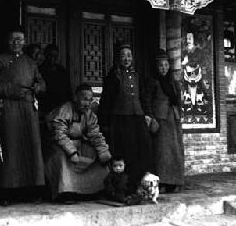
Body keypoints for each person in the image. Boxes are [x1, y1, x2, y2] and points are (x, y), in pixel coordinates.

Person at [0, 29, 46, 203]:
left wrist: (38, 86)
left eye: (19, 39)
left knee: (29, 148)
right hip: (7, 109)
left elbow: (41, 81)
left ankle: (29, 191)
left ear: (25, 41)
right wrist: (10, 90)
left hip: (27, 110)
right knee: (9, 148)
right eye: (12, 40)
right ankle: (6, 192)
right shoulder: (0, 60)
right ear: (7, 41)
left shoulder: (30, 62)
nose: (16, 42)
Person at [45, 84, 111, 202]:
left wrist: (103, 152)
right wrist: (71, 152)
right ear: (76, 98)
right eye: (84, 99)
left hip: (80, 145)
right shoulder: (65, 110)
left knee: (98, 156)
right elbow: (59, 134)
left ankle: (95, 190)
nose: (88, 103)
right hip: (61, 146)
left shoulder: (90, 115)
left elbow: (95, 135)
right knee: (62, 158)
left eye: (90, 100)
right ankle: (66, 193)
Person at [98, 43, 153, 187]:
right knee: (125, 151)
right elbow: (106, 101)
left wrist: (147, 114)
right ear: (117, 58)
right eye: (123, 56)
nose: (126, 59)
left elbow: (143, 97)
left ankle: (139, 183)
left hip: (137, 118)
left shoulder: (136, 76)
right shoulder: (113, 76)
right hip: (121, 119)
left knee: (141, 149)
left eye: (129, 55)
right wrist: (104, 122)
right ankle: (123, 185)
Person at [143, 49, 184, 193]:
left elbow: (178, 101)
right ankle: (162, 181)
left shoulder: (172, 82)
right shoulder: (152, 82)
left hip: (173, 120)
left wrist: (179, 117)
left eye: (166, 65)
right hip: (160, 121)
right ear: (156, 67)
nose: (164, 68)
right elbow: (147, 101)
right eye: (161, 65)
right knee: (161, 153)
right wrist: (151, 118)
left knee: (175, 151)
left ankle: (174, 181)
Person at [38, 44, 72, 115]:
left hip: (61, 107)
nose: (52, 58)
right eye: (50, 55)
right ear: (45, 55)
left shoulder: (62, 70)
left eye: (55, 56)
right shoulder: (39, 70)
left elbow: (68, 89)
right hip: (45, 107)